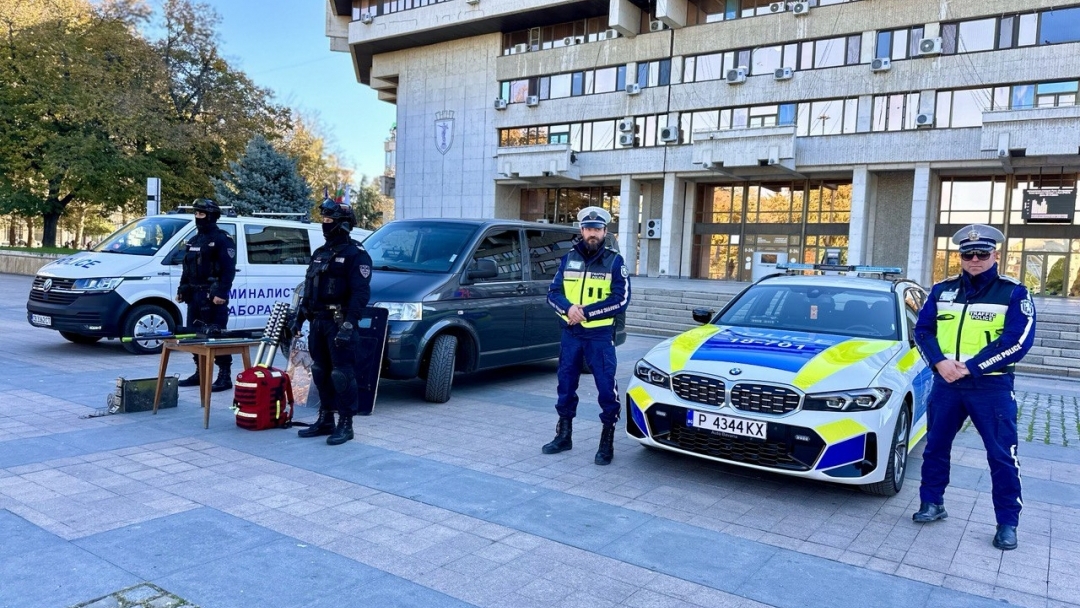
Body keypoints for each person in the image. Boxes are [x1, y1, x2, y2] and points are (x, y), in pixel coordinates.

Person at [912, 224, 1036, 551]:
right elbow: (922, 331)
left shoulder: (1013, 292)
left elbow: (1018, 342)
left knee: (1001, 456)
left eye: (983, 252)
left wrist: (971, 367)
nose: (975, 258)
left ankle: (1007, 523)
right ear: (961, 256)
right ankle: (932, 503)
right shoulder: (942, 290)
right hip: (946, 385)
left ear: (995, 254)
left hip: (991, 387)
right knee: (935, 447)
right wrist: (939, 363)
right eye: (968, 253)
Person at [542, 206, 631, 465]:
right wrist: (569, 309)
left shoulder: (615, 261)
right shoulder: (568, 259)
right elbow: (553, 293)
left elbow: (621, 299)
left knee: (606, 388)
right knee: (565, 385)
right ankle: (564, 435)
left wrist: (586, 313)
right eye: (588, 229)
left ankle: (607, 441)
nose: (592, 233)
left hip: (600, 336)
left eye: (597, 229)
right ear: (581, 231)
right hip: (571, 333)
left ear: (605, 232)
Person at [290, 199, 372, 446]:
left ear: (344, 225)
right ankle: (325, 419)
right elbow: (309, 288)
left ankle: (346, 424)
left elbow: (360, 294)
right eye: (323, 220)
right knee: (320, 371)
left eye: (330, 221)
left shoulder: (356, 255)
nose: (325, 225)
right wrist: (299, 317)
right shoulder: (320, 254)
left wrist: (349, 325)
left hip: (339, 322)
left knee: (341, 373)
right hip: (318, 321)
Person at [175, 199, 237, 392]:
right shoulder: (194, 240)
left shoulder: (222, 239)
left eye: (201, 214)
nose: (197, 217)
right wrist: (182, 288)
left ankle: (224, 375)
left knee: (216, 336)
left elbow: (228, 269)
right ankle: (200, 372)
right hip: (194, 295)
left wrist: (221, 292)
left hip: (212, 296)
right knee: (195, 336)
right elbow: (187, 268)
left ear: (211, 216)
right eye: (196, 214)